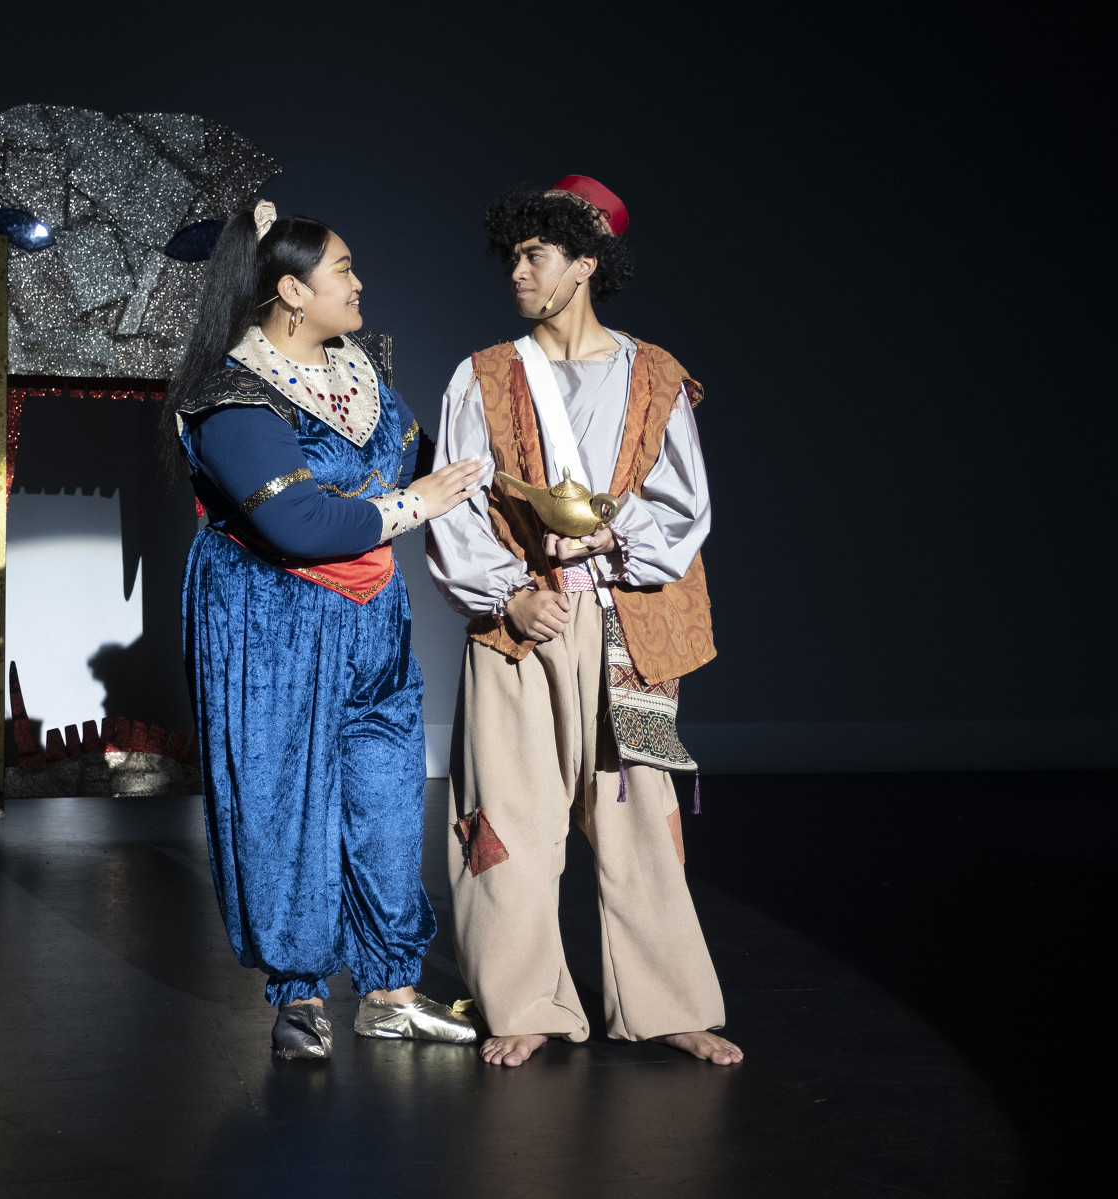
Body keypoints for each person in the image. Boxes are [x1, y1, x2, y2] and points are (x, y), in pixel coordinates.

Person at [426, 176, 743, 1068]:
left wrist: (612, 535)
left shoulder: (657, 377)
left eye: (536, 255)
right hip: (520, 626)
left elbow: (683, 507)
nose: (517, 271)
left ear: (586, 264)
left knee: (642, 817)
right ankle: (523, 999)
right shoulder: (482, 376)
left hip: (630, 628)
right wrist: (509, 595)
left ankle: (668, 1004)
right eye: (513, 254)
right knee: (509, 812)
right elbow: (455, 505)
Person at [165, 200, 486, 1059]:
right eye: (342, 268)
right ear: (291, 291)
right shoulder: (231, 394)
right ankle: (300, 997)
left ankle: (390, 991)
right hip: (273, 624)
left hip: (372, 619)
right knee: (285, 803)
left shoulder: (360, 368)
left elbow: (427, 460)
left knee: (387, 800)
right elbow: (300, 524)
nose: (358, 282)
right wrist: (417, 504)